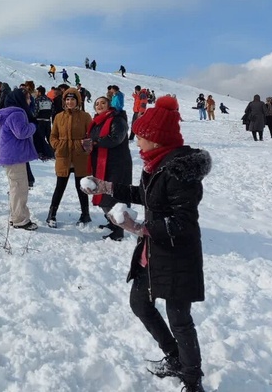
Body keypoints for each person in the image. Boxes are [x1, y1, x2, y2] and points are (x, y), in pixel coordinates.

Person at [82, 95, 211, 392]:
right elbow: (145, 194)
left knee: (180, 319)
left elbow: (184, 223)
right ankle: (175, 357)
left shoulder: (178, 171)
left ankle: (192, 381)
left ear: (156, 139)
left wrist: (138, 227)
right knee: (140, 303)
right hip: (153, 252)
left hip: (178, 255)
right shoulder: (155, 162)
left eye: (140, 135)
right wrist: (105, 186)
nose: (136, 140)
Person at [85, 96, 132, 239]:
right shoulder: (97, 122)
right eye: (97, 104)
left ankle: (119, 230)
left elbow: (115, 139)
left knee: (114, 196)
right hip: (102, 165)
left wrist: (94, 142)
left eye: (103, 103)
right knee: (105, 195)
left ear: (109, 105)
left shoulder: (117, 119)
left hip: (117, 165)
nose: (99, 106)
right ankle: (112, 223)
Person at [0, 88, 38, 230]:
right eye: (28, 98)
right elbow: (21, 133)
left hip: (11, 156)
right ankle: (20, 220)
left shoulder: (9, 112)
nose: (30, 100)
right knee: (20, 188)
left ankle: (15, 216)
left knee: (16, 187)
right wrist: (33, 126)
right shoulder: (17, 113)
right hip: (15, 156)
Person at [47, 88, 93, 227]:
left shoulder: (85, 116)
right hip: (63, 156)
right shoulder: (58, 116)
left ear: (77, 101)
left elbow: (90, 136)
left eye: (73, 99)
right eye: (67, 99)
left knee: (82, 187)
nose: (70, 102)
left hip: (80, 157)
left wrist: (80, 145)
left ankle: (85, 215)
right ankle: (52, 215)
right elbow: (52, 136)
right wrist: (58, 145)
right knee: (59, 187)